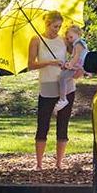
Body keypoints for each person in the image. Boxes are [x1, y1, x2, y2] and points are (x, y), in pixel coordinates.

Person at [28, 11, 76, 170]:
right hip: (47, 87)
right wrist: (50, 62)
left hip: (66, 87)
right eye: (55, 26)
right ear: (47, 24)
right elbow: (31, 65)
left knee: (63, 124)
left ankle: (59, 164)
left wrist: (71, 65)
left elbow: (77, 54)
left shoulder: (63, 40)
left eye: (60, 27)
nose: (57, 29)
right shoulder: (36, 40)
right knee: (43, 125)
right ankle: (39, 164)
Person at [54, 25, 88, 113]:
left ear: (78, 34)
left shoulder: (78, 43)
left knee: (62, 78)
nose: (70, 39)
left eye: (71, 37)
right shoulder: (78, 43)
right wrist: (67, 65)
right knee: (63, 76)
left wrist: (71, 64)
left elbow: (77, 56)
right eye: (68, 38)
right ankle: (63, 98)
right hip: (77, 65)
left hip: (78, 65)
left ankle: (63, 99)